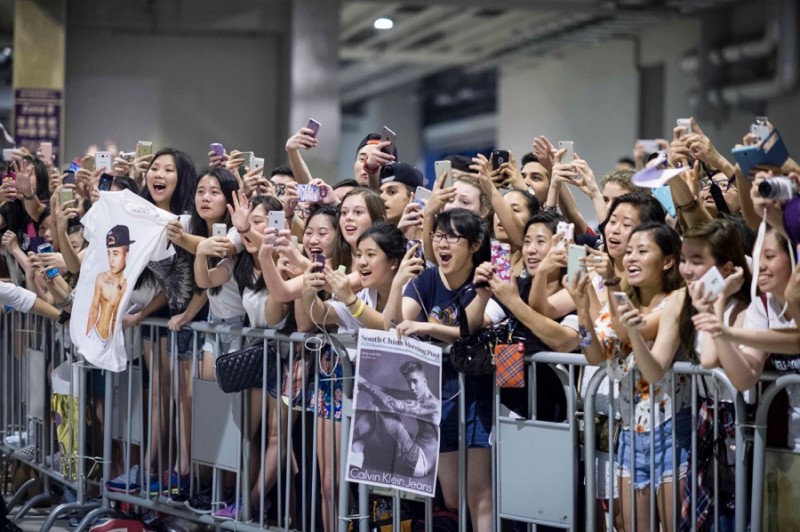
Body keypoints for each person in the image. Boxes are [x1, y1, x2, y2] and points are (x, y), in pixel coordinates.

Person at [569, 222, 687, 532]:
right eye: (629, 251)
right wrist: (583, 313)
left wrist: (612, 285)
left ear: (668, 260)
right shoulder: (622, 298)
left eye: (642, 251)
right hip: (630, 432)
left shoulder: (677, 299)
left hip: (671, 431)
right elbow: (593, 355)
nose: (631, 258)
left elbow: (654, 369)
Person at [385, 208, 493, 532]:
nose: (442, 244)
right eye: (438, 235)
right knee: (453, 497)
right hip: (438, 392)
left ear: (475, 245)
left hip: (478, 391)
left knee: (480, 493)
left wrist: (423, 326)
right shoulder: (427, 278)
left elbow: (471, 327)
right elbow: (394, 321)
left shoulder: (483, 279)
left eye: (452, 237)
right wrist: (398, 283)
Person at [350, 360, 439, 480]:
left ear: (424, 380)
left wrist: (364, 384)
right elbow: (387, 391)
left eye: (415, 381)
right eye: (408, 382)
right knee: (376, 405)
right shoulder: (417, 395)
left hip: (420, 462)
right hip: (415, 453)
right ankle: (357, 448)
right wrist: (360, 382)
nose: (412, 387)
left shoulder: (432, 404)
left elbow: (392, 404)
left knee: (377, 406)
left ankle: (357, 449)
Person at [85, 225, 132, 345]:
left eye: (115, 254)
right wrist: (88, 339)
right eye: (109, 253)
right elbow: (93, 310)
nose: (111, 259)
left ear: (126, 255)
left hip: (114, 341)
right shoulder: (101, 278)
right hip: (96, 336)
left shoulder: (127, 283)